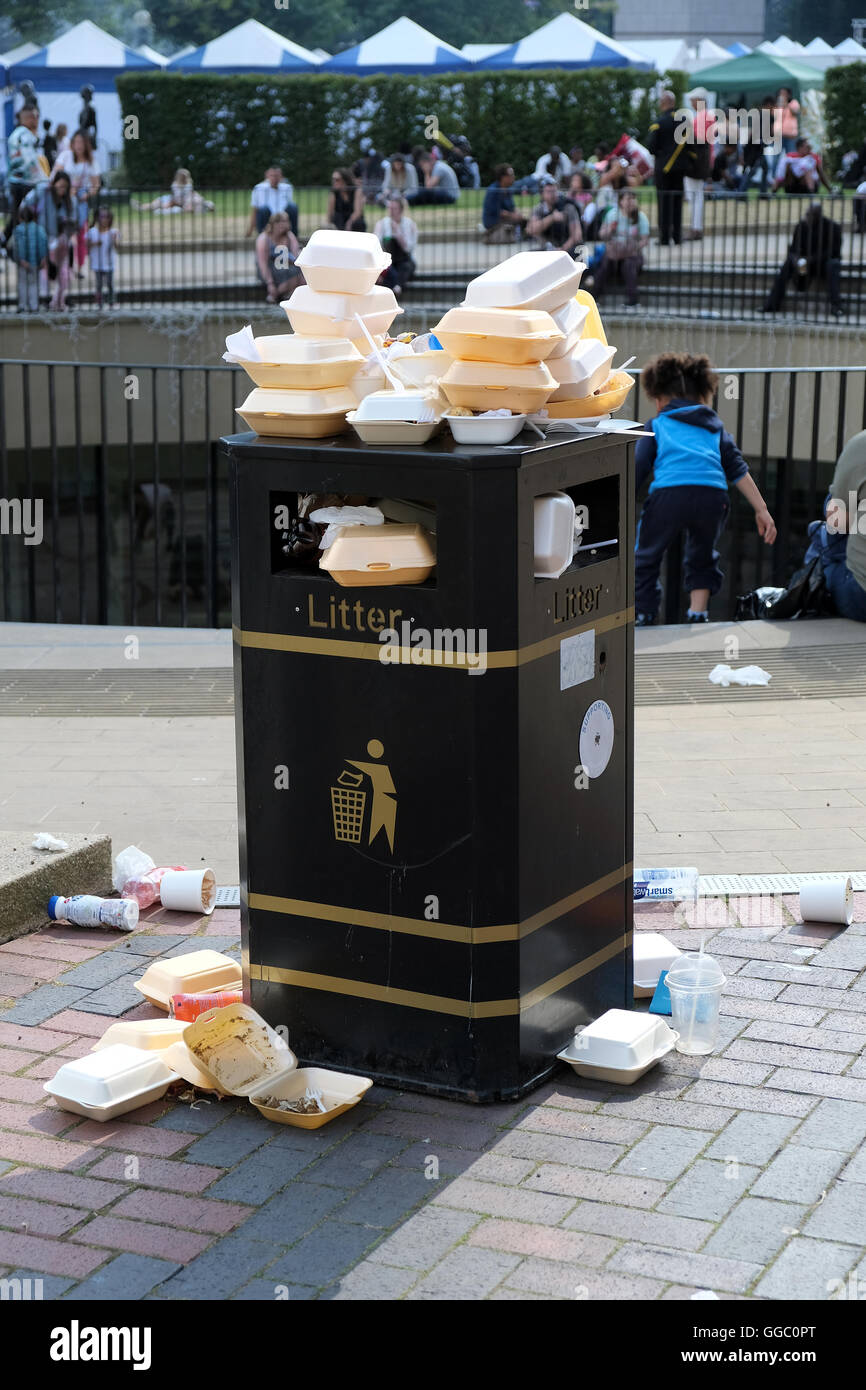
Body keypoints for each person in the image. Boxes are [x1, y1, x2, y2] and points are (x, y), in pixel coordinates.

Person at [634, 352, 776, 626]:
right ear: (701, 396)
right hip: (712, 496)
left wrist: (619, 497)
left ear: (661, 399)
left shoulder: (658, 424)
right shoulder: (714, 427)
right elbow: (738, 469)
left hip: (669, 496)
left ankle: (645, 613)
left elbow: (639, 467)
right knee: (702, 554)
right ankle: (698, 614)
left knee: (647, 554)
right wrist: (762, 510)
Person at [815, 431, 866, 622]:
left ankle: (820, 567)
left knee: (820, 558)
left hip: (861, 594)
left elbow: (836, 521)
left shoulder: (861, 446)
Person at [762, 202, 844, 317]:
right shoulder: (801, 226)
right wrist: (795, 258)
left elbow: (834, 252)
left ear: (819, 216)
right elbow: (793, 248)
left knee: (833, 264)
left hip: (823, 265)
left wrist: (812, 259)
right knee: (788, 264)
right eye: (807, 214)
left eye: (811, 215)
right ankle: (771, 304)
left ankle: (836, 306)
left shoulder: (832, 227)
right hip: (805, 267)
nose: (808, 217)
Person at [24, 171, 75, 310]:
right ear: (54, 184)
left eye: (65, 187)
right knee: (45, 271)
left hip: (61, 241)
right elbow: (25, 204)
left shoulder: (69, 201)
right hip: (44, 239)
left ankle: (58, 300)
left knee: (63, 273)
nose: (62, 190)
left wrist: (68, 225)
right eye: (60, 186)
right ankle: (44, 299)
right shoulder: (43, 192)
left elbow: (75, 220)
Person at [53, 130, 101, 272]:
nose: (79, 145)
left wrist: (87, 194)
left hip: (80, 200)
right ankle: (62, 266)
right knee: (62, 233)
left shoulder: (91, 162)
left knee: (81, 233)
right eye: (77, 142)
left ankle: (80, 266)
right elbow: (56, 174)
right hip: (65, 199)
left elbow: (96, 184)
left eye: (82, 142)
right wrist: (65, 189)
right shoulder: (66, 156)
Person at [592, 189, 649, 308]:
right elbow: (602, 235)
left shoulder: (641, 217)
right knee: (605, 265)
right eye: (628, 199)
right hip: (614, 254)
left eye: (633, 199)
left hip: (633, 254)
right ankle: (594, 298)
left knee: (629, 266)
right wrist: (610, 230)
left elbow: (645, 240)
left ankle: (633, 301)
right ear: (621, 202)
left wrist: (634, 247)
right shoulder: (612, 215)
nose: (631, 202)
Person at [648, 90, 689, 247]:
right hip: (679, 169)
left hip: (662, 169)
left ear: (664, 103)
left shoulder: (659, 122)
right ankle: (677, 236)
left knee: (663, 203)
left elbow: (651, 147)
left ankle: (664, 237)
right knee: (677, 202)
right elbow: (691, 146)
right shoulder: (684, 121)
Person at [2, 103, 43, 249]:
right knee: (23, 214)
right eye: (35, 116)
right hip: (24, 182)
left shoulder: (17, 133)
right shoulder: (24, 135)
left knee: (16, 214)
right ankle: (13, 244)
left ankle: (5, 241)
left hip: (17, 180)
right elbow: (30, 161)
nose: (37, 119)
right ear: (29, 118)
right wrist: (43, 180)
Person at [683, 89, 713, 239]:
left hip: (697, 161)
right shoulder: (705, 116)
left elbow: (698, 141)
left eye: (693, 100)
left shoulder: (703, 117)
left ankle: (696, 228)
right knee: (696, 195)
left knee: (695, 195)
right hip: (700, 160)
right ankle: (696, 227)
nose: (691, 103)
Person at [527, 176, 582, 255]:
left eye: (554, 191)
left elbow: (577, 236)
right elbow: (531, 230)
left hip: (569, 249)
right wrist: (551, 218)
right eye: (549, 192)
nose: (553, 194)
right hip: (549, 250)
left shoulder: (568, 207)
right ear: (542, 194)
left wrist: (562, 250)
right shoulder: (539, 209)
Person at [255, 210, 302, 302]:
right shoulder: (264, 239)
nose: (282, 225)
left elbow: (296, 256)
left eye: (285, 221)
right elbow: (262, 264)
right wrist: (270, 283)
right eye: (279, 222)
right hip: (269, 270)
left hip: (285, 268)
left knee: (301, 273)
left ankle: (277, 294)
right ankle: (279, 294)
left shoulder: (289, 236)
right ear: (272, 224)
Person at [374, 196, 417, 295]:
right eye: (390, 208)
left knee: (408, 266)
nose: (391, 211)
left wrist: (398, 232)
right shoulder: (382, 224)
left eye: (394, 209)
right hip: (388, 260)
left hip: (403, 258)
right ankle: (396, 286)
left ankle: (396, 286)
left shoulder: (410, 225)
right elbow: (376, 243)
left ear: (401, 210)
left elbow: (409, 248)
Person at [13, 204, 47, 312]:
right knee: (34, 284)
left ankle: (22, 306)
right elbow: (43, 244)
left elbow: (17, 246)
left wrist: (21, 259)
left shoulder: (18, 230)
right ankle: (34, 306)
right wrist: (43, 258)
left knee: (22, 284)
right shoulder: (39, 229)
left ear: (21, 217)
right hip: (35, 262)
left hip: (23, 263)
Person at [246, 167, 298, 238]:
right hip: (267, 217)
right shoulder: (258, 188)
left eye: (277, 175)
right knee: (263, 209)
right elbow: (255, 210)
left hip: (282, 216)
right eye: (272, 175)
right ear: (267, 176)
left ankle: (294, 235)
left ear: (281, 177)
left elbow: (289, 206)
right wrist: (250, 230)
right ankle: (262, 236)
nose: (274, 178)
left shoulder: (287, 188)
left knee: (293, 207)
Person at [481, 164, 526, 244]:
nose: (513, 177)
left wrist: (518, 213)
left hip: (506, 219)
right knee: (508, 237)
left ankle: (521, 235)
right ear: (503, 177)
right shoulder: (494, 191)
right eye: (511, 175)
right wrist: (512, 215)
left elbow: (512, 206)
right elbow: (497, 211)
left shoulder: (508, 189)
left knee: (525, 220)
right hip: (494, 221)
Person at [738, 97, 773, 197]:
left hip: (756, 146)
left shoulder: (759, 115)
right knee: (753, 171)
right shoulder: (765, 116)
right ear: (768, 105)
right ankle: (742, 193)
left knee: (764, 168)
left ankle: (762, 192)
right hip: (756, 147)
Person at [132, 170, 214, 213]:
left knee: (158, 204)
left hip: (177, 201)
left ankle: (142, 208)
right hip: (172, 199)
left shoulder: (188, 185)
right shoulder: (175, 184)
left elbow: (189, 195)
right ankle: (141, 207)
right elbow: (176, 197)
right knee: (157, 203)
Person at [87, 204, 119, 308]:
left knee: (110, 284)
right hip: (97, 263)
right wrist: (95, 243)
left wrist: (114, 240)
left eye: (107, 217)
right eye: (102, 217)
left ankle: (111, 301)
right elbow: (86, 244)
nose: (104, 220)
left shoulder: (113, 232)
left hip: (109, 263)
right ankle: (99, 302)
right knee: (99, 284)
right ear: (97, 218)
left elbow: (117, 247)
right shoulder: (92, 232)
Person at [774, 86, 800, 154]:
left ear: (788, 95)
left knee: (791, 155)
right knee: (776, 157)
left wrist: (786, 104)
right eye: (781, 94)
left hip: (790, 136)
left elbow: (795, 112)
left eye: (784, 94)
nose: (782, 95)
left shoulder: (793, 103)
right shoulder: (778, 105)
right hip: (779, 136)